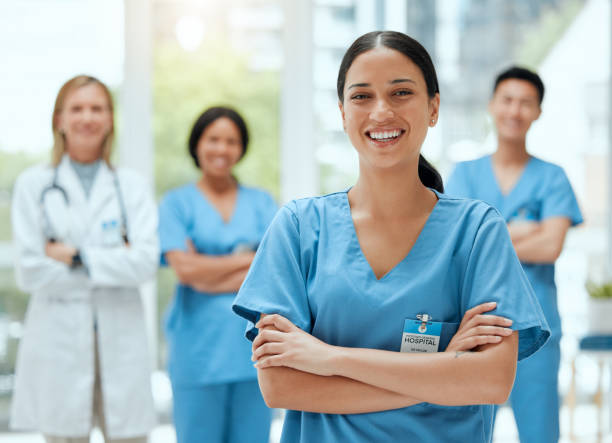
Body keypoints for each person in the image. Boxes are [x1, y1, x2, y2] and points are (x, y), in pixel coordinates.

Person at [232, 31, 551, 443]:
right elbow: (281, 387)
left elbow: (491, 381)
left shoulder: (477, 231)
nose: (381, 111)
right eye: (361, 96)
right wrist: (443, 368)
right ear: (343, 113)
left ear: (434, 107)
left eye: (401, 92)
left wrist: (329, 358)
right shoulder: (298, 227)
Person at [10, 75, 158, 442]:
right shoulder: (34, 185)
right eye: (77, 108)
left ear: (109, 119)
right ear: (59, 119)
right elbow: (30, 271)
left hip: (121, 340)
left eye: (97, 108)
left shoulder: (131, 186)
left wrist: (74, 257)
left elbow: (144, 263)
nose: (87, 117)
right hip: (59, 342)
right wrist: (112, 262)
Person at [446, 66, 583, 443]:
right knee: (467, 430)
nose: (515, 111)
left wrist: (491, 238)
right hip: (474, 325)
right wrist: (526, 231)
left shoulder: (553, 176)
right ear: (492, 105)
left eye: (526, 103)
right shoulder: (465, 174)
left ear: (538, 111)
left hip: (535, 326)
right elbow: (458, 249)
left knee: (540, 432)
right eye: (507, 100)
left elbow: (551, 246)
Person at [158, 106, 277, 443]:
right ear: (197, 144)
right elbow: (185, 270)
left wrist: (206, 268)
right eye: (213, 139)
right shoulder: (176, 203)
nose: (222, 149)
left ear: (241, 148)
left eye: (231, 141)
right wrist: (249, 260)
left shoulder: (262, 202)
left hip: (253, 351)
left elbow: (275, 271)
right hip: (197, 352)